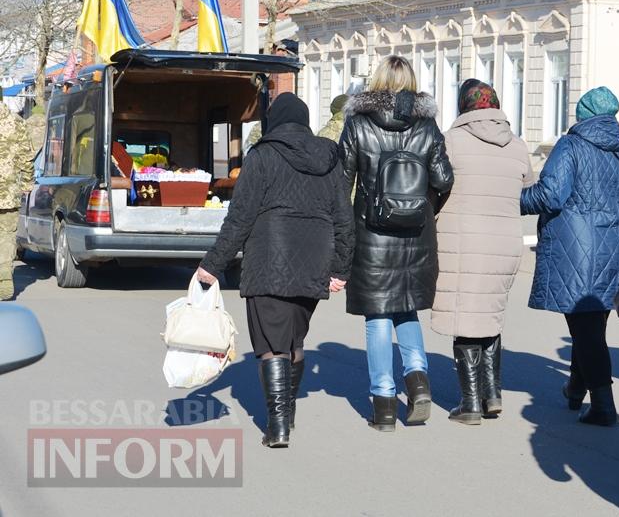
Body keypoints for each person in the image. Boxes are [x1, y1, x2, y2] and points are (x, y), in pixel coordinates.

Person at [197, 93, 354, 448]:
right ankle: (289, 415)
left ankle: (279, 426)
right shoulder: (330, 157)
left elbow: (240, 217)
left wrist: (212, 265)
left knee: (271, 345)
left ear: (274, 122)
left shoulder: (263, 155)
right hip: (315, 258)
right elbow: (345, 218)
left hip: (269, 257)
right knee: (294, 340)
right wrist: (341, 267)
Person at [339, 55, 454, 432]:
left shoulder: (358, 124)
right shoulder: (427, 125)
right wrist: (425, 209)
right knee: (407, 310)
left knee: (378, 317)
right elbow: (443, 178)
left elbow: (343, 182)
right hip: (416, 234)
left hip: (371, 235)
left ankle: (384, 404)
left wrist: (342, 230)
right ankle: (418, 383)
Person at [521, 86, 619, 426]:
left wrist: (513, 200)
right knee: (591, 325)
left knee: (586, 330)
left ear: (583, 114)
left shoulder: (571, 146)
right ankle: (576, 390)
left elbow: (550, 195)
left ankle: (604, 405)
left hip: (578, 252)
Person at [431, 80, 535, 424]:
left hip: (463, 241)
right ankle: (493, 395)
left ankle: (470, 402)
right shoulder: (517, 145)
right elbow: (526, 186)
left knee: (465, 318)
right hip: (505, 242)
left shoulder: (450, 141)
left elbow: (435, 182)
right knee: (490, 316)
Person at [0, 90, 34, 301]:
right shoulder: (16, 122)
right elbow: (26, 157)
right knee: (6, 236)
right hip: (9, 194)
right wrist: (28, 182)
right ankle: (3, 279)